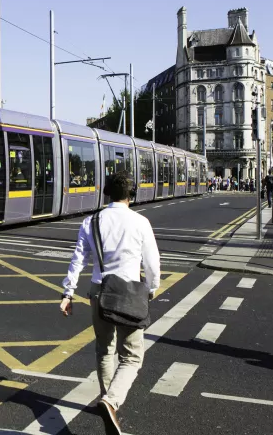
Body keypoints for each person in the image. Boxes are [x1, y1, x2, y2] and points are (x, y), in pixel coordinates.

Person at [60, 172, 161, 435]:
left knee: (105, 349)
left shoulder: (90, 221)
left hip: (99, 290)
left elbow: (78, 260)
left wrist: (67, 293)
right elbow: (152, 264)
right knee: (132, 356)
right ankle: (111, 401)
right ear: (132, 195)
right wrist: (151, 289)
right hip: (130, 290)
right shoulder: (141, 222)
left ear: (107, 193)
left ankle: (108, 401)